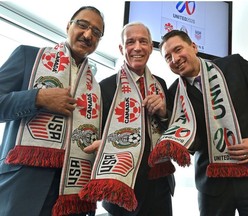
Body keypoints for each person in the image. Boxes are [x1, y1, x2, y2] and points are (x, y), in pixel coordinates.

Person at [159, 30, 248, 216]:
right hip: (213, 185)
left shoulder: (234, 65)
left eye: (178, 49)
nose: (175, 58)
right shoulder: (173, 94)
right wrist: (165, 117)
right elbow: (193, 146)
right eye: (168, 57)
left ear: (194, 47)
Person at [0, 6, 104, 216]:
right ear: (68, 26)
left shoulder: (96, 87)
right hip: (22, 187)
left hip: (71, 195)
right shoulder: (28, 56)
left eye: (96, 32)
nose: (87, 34)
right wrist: (38, 97)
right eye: (82, 25)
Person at [81, 22, 175, 216]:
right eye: (130, 42)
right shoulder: (104, 87)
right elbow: (91, 133)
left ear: (151, 47)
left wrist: (164, 113)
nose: (137, 47)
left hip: (159, 185)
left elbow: (174, 130)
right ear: (122, 48)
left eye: (143, 41)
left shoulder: (161, 84)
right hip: (120, 187)